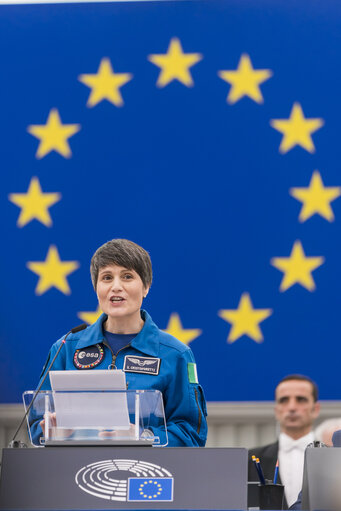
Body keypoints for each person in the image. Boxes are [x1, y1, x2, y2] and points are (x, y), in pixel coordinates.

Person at [30, 238, 207, 447]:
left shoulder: (175, 354)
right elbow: (35, 426)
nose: (116, 287)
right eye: (106, 278)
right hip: (76, 473)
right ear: (96, 287)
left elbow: (191, 435)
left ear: (146, 286)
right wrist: (55, 430)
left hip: (147, 475)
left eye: (127, 276)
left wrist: (143, 436)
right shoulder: (66, 348)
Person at [248, 374, 320, 509]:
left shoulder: (333, 459)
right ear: (277, 410)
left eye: (301, 399)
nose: (292, 407)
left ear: (315, 409)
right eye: (283, 400)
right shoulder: (249, 460)